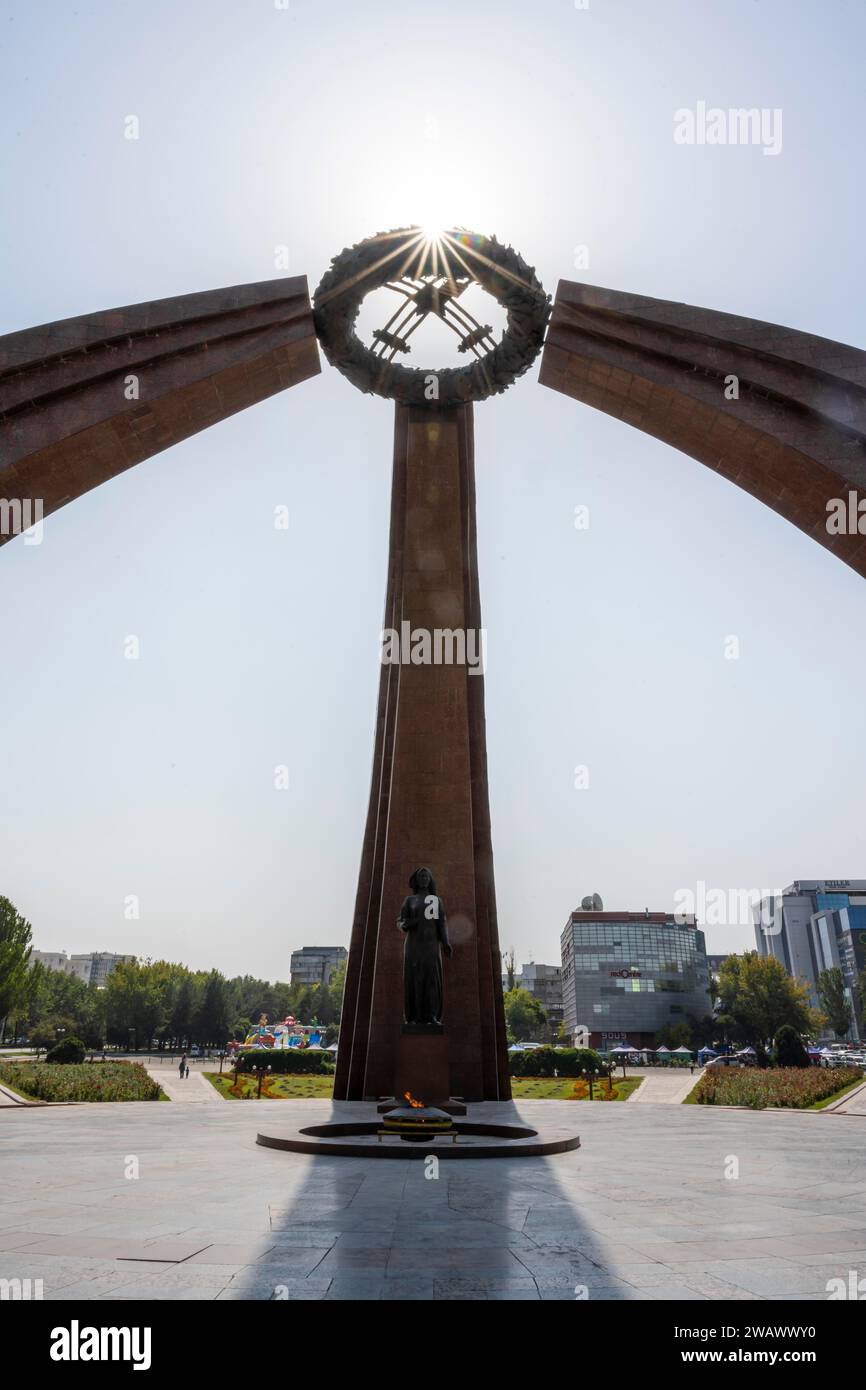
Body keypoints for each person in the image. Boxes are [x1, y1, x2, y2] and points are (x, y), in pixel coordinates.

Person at [398, 867, 453, 1026]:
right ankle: (412, 1017)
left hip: (431, 946)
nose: (424, 879)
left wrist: (445, 943)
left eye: (426, 876)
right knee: (415, 980)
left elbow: (441, 924)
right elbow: (400, 920)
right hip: (414, 946)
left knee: (432, 981)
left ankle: (432, 1016)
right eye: (421, 876)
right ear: (416, 880)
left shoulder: (435, 901)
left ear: (430, 879)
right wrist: (406, 924)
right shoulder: (410, 900)